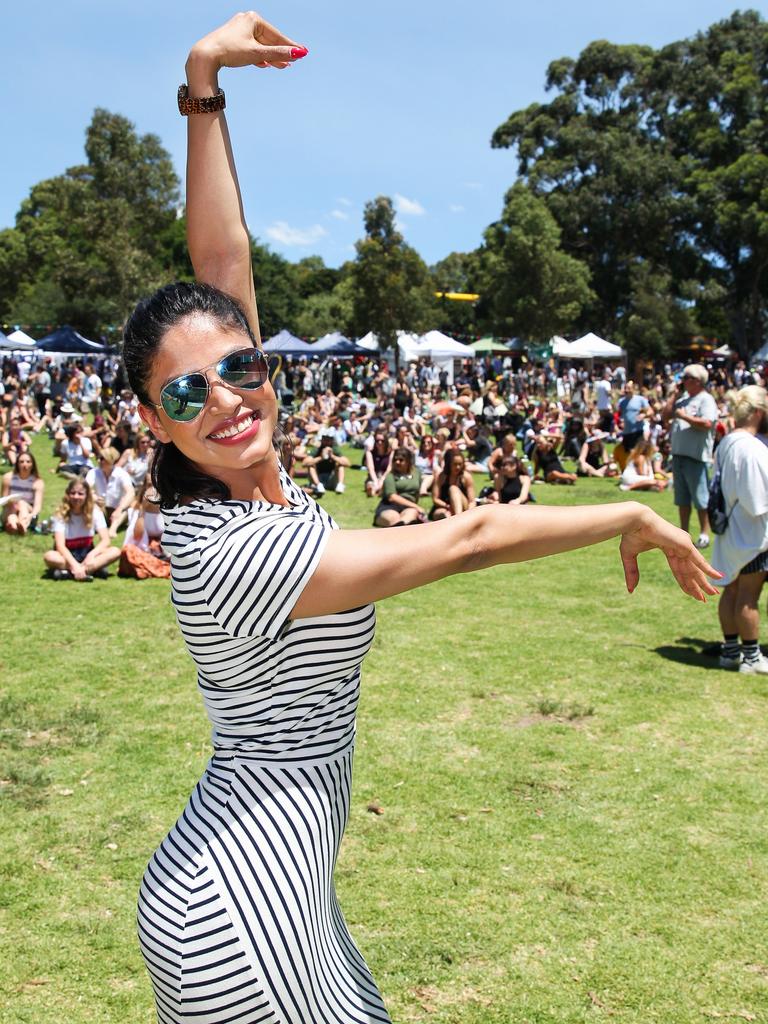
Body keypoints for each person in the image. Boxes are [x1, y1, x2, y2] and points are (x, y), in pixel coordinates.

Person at [121, 15, 718, 1024]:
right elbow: (472, 535)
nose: (223, 398)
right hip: (233, 907)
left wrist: (202, 81)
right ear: (152, 423)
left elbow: (219, 261)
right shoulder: (236, 546)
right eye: (186, 394)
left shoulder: (252, 474)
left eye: (240, 366)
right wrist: (628, 511)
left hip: (288, 889)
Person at [711, 386, 768, 673]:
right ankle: (751, 656)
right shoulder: (752, 447)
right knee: (748, 594)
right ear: (758, 412)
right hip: (752, 533)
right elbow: (758, 499)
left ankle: (731, 651)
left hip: (730, 529)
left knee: (732, 591)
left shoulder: (727, 442)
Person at [662, 363, 718, 549]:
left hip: (696, 457)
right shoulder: (683, 398)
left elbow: (707, 423)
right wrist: (673, 396)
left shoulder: (706, 400)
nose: (682, 381)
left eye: (686, 378)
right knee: (682, 499)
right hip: (678, 455)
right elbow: (665, 416)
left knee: (701, 498)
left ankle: (704, 533)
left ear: (697, 381)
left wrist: (684, 417)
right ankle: (683, 533)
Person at [43, 478, 121, 581]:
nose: (76, 497)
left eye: (80, 494)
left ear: (87, 496)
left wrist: (91, 555)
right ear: (68, 494)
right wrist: (74, 565)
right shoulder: (61, 514)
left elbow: (106, 540)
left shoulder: (95, 512)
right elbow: (60, 546)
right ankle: (89, 571)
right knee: (49, 556)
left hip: (87, 553)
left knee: (115, 551)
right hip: (67, 556)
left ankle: (69, 573)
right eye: (73, 493)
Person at [85, 447, 136, 537]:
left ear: (111, 460)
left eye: (102, 458)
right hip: (102, 508)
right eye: (98, 458)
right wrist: (94, 497)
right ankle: (99, 527)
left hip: (118, 510)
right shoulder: (93, 472)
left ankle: (113, 528)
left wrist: (119, 509)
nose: (98, 460)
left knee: (130, 506)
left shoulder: (121, 473)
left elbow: (130, 492)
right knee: (91, 504)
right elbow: (85, 489)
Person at [373, 447, 424, 526]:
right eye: (395, 460)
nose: (397, 462)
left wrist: (414, 506)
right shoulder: (390, 476)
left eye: (401, 460)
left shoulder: (417, 473)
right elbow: (392, 497)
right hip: (390, 506)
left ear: (408, 461)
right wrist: (415, 506)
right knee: (395, 520)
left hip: (408, 507)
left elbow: (417, 492)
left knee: (409, 517)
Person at [1, 450, 44, 534]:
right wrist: (11, 502)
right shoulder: (8, 478)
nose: (25, 464)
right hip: (10, 509)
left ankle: (18, 525)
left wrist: (31, 515)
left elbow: (37, 506)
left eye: (28, 462)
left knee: (22, 503)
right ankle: (16, 526)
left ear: (32, 464)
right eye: (21, 462)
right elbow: (3, 500)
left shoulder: (37, 482)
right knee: (14, 510)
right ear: (17, 464)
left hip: (28, 510)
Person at [429, 449, 476, 519]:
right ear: (449, 464)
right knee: (442, 515)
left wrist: (469, 513)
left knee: (453, 489)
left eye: (460, 464)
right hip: (445, 506)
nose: (458, 467)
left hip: (463, 507)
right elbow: (435, 499)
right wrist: (447, 506)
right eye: (455, 464)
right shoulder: (441, 477)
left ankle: (458, 518)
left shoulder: (466, 477)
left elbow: (472, 501)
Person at [617, 380, 650, 453]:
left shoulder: (640, 399)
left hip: (638, 431)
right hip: (626, 432)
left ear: (633, 389)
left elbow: (650, 411)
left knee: (638, 453)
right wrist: (621, 421)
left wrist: (643, 415)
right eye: (625, 388)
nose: (626, 390)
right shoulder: (621, 402)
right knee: (627, 454)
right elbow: (618, 414)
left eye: (628, 388)